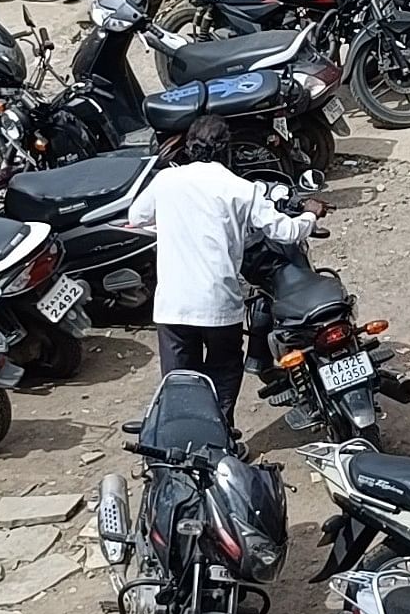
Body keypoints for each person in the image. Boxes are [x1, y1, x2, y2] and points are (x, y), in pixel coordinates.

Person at [124, 117, 316, 431]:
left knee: (178, 381)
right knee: (224, 369)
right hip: (219, 305)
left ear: (188, 148)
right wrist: (310, 213)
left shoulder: (166, 182)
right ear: (227, 150)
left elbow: (136, 217)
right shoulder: (241, 189)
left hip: (173, 306)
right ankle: (221, 433)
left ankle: (182, 439)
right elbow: (287, 231)